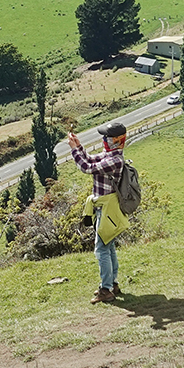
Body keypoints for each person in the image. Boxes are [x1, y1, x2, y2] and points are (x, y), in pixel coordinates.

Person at [70, 122, 130, 304]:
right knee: (108, 246)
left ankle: (106, 289)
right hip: (103, 207)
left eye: (107, 138)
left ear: (115, 141)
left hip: (107, 208)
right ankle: (112, 284)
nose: (103, 140)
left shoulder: (115, 161)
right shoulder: (109, 156)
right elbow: (90, 159)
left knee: (102, 248)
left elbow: (86, 168)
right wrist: (79, 146)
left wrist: (73, 150)